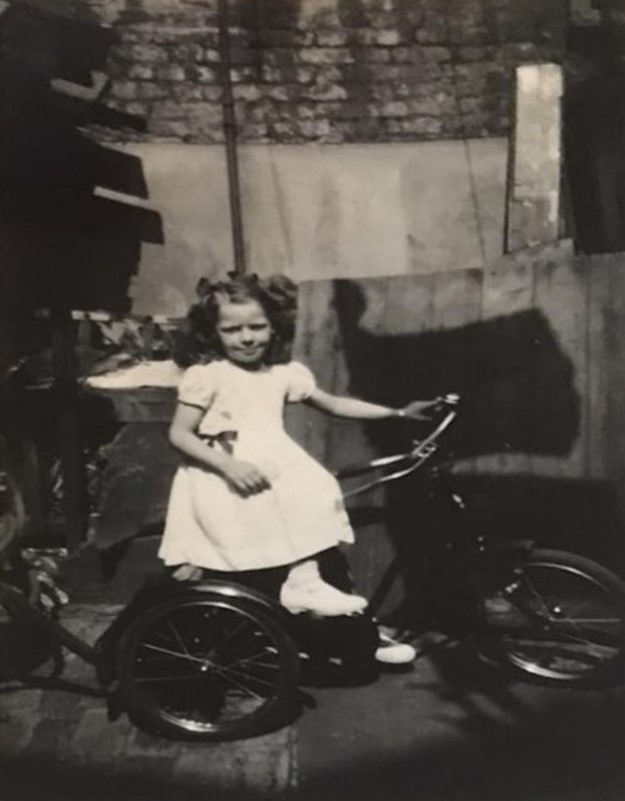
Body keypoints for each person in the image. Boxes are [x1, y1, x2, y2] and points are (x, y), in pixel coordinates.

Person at [158, 273, 437, 661]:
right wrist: (228, 465)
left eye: (257, 326)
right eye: (232, 329)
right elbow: (180, 434)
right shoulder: (209, 376)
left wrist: (399, 412)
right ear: (214, 333)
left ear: (274, 327)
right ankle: (300, 597)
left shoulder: (283, 375)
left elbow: (337, 405)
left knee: (318, 487)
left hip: (269, 470)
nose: (247, 337)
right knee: (289, 508)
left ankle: (333, 616)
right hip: (224, 476)